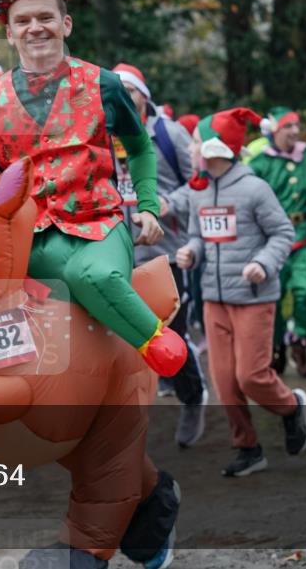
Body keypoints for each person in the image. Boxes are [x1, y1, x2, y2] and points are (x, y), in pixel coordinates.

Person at [0, 0, 187, 379]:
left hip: (99, 227)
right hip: (30, 241)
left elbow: (140, 146)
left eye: (45, 17)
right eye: (23, 21)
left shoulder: (105, 85)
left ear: (65, 24)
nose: (36, 28)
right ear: (10, 34)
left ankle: (155, 340)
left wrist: (148, 206)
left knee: (89, 273)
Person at [173, 108, 306, 477]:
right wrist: (191, 252)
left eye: (195, 142)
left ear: (214, 148)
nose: (190, 149)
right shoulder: (200, 191)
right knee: (224, 382)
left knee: (251, 376)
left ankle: (291, 407)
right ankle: (248, 448)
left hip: (253, 298)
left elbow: (283, 233)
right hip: (214, 298)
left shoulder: (254, 189)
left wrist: (263, 263)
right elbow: (198, 236)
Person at [114, 62, 207, 448]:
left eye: (130, 91)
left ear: (144, 96)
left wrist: (167, 203)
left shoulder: (169, 134)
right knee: (124, 339)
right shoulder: (101, 136)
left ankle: (192, 397)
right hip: (116, 253)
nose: (122, 97)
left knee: (171, 333)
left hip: (166, 253)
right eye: (116, 90)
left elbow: (197, 183)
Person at [248, 107, 306, 378]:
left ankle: (300, 343)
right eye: (289, 126)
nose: (295, 131)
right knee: (273, 298)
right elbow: (243, 197)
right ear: (275, 130)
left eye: (297, 126)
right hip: (271, 242)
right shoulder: (259, 163)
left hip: (304, 236)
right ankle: (276, 347)